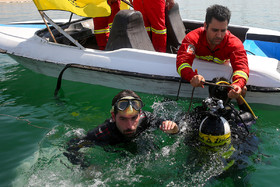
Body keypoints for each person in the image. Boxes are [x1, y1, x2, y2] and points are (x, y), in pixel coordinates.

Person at [64, 89, 179, 166]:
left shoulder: (146, 118)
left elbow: (173, 129)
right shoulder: (104, 131)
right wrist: (86, 166)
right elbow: (70, 147)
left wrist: (174, 129)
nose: (130, 126)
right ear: (114, 116)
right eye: (123, 119)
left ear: (140, 115)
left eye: (134, 118)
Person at [176, 4, 249, 110]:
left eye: (223, 30)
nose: (219, 35)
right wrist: (191, 76)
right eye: (215, 30)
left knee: (243, 89)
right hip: (199, 79)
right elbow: (182, 62)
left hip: (222, 84)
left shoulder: (234, 43)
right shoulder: (192, 38)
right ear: (205, 26)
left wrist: (238, 85)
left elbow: (241, 68)